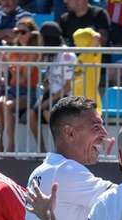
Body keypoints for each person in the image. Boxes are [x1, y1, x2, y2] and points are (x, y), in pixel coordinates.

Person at [29, 21, 77, 152]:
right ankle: (42, 150)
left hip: (63, 95)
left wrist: (48, 101)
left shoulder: (67, 55)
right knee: (31, 114)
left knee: (47, 112)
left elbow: (67, 87)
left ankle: (61, 150)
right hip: (50, 92)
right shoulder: (50, 53)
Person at [0, 17, 40, 153]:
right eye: (17, 32)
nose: (19, 35)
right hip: (13, 90)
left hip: (28, 92)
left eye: (23, 32)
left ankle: (10, 146)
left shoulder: (34, 53)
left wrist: (11, 66)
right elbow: (5, 74)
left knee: (7, 105)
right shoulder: (13, 51)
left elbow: (22, 80)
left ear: (31, 34)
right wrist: (2, 62)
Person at [71, 27, 103, 113]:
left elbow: (96, 37)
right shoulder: (82, 56)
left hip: (90, 99)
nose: (74, 43)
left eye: (77, 40)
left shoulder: (93, 53)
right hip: (78, 99)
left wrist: (93, 34)